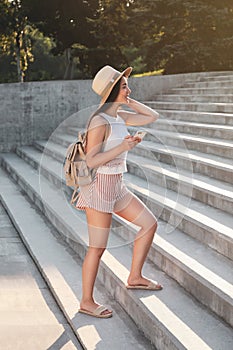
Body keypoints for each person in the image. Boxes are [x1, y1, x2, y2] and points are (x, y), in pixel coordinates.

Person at [76, 65, 162, 319]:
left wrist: (127, 99)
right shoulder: (99, 120)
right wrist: (122, 146)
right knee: (97, 247)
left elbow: (151, 116)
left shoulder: (118, 116)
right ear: (112, 89)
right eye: (124, 85)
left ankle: (135, 276)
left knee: (149, 224)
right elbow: (91, 160)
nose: (129, 88)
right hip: (99, 188)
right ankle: (86, 301)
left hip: (117, 185)